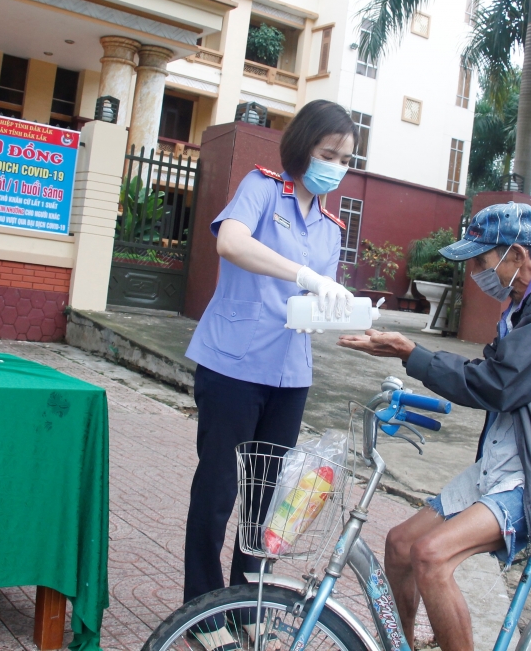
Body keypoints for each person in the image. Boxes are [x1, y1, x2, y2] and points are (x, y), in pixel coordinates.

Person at [337, 202, 531, 651]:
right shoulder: (523, 303)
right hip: (509, 460)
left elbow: (499, 383)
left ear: (516, 254)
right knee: (399, 547)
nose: (476, 271)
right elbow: (491, 372)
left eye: (482, 260)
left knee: (431, 557)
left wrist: (411, 354)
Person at [182, 100, 358, 649]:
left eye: (345, 158)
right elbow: (230, 242)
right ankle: (203, 615)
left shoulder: (331, 226)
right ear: (303, 146)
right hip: (233, 364)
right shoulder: (262, 188)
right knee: (217, 493)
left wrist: (345, 312)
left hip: (289, 375)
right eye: (328, 153)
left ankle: (246, 604)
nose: (335, 164)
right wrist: (303, 273)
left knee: (264, 501)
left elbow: (313, 299)